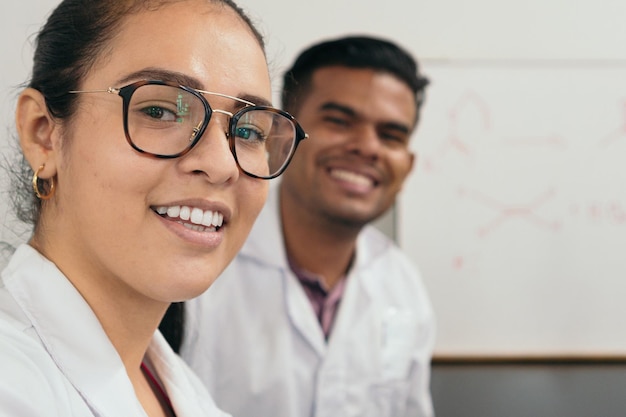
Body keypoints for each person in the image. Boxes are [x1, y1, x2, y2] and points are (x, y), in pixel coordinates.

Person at [0, 0, 307, 416]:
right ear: (44, 135)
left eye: (249, 130)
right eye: (161, 110)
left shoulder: (172, 386)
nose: (221, 165)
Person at [180, 35, 436, 417]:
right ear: (280, 138)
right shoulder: (196, 266)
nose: (367, 147)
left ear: (408, 165)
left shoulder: (404, 286)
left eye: (391, 135)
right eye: (339, 121)